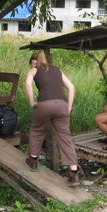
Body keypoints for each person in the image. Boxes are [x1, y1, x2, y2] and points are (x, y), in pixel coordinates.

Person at [24, 51, 81, 186]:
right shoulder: (57, 70)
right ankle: (73, 173)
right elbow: (72, 87)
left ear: (37, 60)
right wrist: (69, 107)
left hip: (44, 104)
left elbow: (27, 85)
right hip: (62, 105)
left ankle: (33, 160)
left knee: (37, 130)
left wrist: (32, 102)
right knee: (65, 137)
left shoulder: (34, 70)